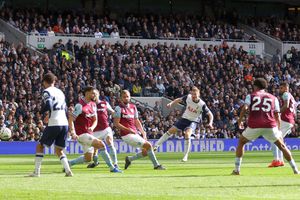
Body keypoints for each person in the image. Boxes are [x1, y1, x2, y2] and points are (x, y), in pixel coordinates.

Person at [232, 78, 299, 175]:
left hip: (254, 125)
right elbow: (277, 114)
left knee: (241, 142)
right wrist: (278, 128)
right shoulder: (273, 97)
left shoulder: (250, 96)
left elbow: (245, 108)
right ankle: (295, 169)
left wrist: (239, 121)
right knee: (282, 146)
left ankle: (237, 169)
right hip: (270, 125)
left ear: (255, 86)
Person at [68, 86, 122, 173]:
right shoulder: (80, 105)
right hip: (81, 134)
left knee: (88, 158)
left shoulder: (93, 105)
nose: (94, 95)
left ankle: (69, 163)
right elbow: (71, 119)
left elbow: (95, 119)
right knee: (101, 145)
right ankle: (112, 168)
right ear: (87, 93)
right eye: (92, 93)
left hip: (89, 133)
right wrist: (73, 132)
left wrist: (92, 127)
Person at [29, 73, 73, 177]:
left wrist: (40, 111)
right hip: (64, 122)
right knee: (59, 149)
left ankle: (36, 172)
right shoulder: (60, 92)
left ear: (44, 82)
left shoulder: (47, 91)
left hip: (54, 122)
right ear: (54, 81)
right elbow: (64, 108)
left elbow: (48, 104)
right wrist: (49, 114)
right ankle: (68, 170)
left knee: (40, 146)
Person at [154, 86, 214, 162]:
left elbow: (210, 114)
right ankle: (156, 146)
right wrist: (171, 103)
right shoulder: (188, 97)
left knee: (187, 134)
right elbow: (178, 100)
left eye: (195, 95)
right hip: (184, 118)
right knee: (170, 130)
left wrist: (210, 123)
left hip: (193, 121)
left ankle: (185, 156)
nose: (193, 97)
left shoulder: (202, 104)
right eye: (193, 95)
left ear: (198, 95)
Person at [114, 90, 165, 170]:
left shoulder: (133, 107)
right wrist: (128, 130)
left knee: (146, 151)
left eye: (127, 96)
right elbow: (116, 124)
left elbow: (136, 121)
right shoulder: (118, 108)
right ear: (121, 98)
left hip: (134, 133)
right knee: (149, 146)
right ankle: (156, 165)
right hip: (126, 135)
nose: (126, 98)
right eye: (124, 97)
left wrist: (143, 132)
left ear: (130, 97)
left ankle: (129, 159)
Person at [87, 89, 118, 168]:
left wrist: (116, 113)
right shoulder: (89, 105)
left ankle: (115, 163)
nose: (93, 95)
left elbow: (112, 111)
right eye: (92, 94)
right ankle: (96, 162)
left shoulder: (104, 103)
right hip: (94, 131)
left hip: (105, 129)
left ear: (98, 94)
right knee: (95, 150)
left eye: (95, 94)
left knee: (110, 142)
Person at [268, 82, 297, 167]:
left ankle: (277, 160)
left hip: (285, 120)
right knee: (279, 140)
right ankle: (280, 161)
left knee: (274, 138)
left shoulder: (286, 94)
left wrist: (278, 113)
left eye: (281, 88)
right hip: (290, 120)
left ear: (285, 88)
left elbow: (286, 105)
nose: (279, 90)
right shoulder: (291, 96)